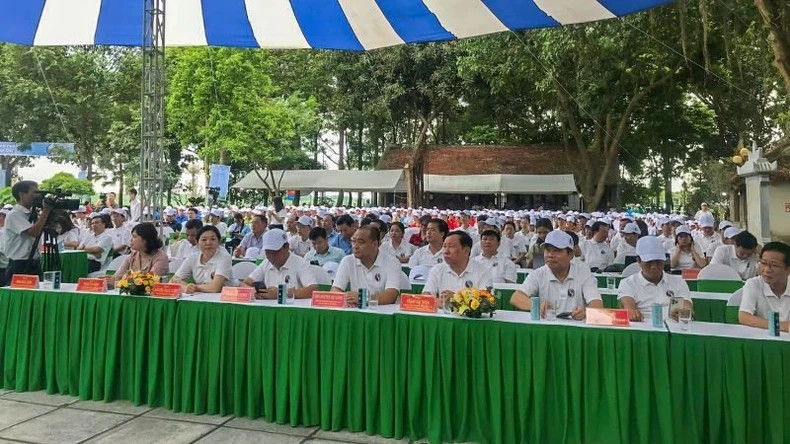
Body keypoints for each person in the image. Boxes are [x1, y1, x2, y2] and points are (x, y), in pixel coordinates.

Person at [510, 230, 603, 319]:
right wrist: (536, 306)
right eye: (547, 250)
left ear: (570, 254)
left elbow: (597, 304)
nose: (550, 255)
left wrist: (585, 311)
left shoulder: (583, 272)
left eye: (556, 251)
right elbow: (516, 297)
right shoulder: (539, 274)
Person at [617, 236, 693, 322]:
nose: (654, 266)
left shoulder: (678, 282)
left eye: (658, 262)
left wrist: (685, 312)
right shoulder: (628, 283)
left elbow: (687, 306)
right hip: (643, 326)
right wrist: (631, 312)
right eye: (649, 262)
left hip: (674, 326)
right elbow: (628, 306)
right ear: (639, 261)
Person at [331, 226, 401, 307]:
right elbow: (335, 290)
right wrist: (347, 299)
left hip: (383, 311)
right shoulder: (347, 260)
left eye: (361, 242)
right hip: (356, 310)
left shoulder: (392, 262)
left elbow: (391, 295)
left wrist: (363, 298)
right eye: (353, 241)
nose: (355, 246)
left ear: (375, 244)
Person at [241, 229, 319, 299]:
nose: (271, 256)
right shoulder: (266, 263)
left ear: (286, 247)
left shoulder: (300, 263)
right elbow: (245, 283)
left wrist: (282, 293)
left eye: (275, 252)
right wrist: (253, 292)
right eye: (267, 252)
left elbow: (313, 289)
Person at [421, 231, 493, 306]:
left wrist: (456, 299)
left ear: (466, 251)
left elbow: (487, 302)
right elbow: (426, 296)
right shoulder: (437, 270)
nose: (446, 251)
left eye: (451, 246)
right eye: (444, 246)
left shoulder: (482, 272)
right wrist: (437, 301)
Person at [4, 181, 53, 279]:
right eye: (35, 192)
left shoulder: (32, 213)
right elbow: (34, 232)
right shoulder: (14, 214)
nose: (38, 196)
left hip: (34, 262)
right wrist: (46, 210)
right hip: (19, 265)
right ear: (21, 194)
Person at [738, 241, 790, 331]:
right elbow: (744, 317)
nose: (766, 270)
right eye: (763, 263)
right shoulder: (753, 284)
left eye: (774, 265)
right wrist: (782, 326)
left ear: (788, 270)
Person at [172, 225, 232, 294]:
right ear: (197, 243)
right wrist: (186, 288)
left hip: (226, 297)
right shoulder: (192, 257)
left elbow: (215, 288)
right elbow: (173, 281)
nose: (208, 243)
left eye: (213, 239)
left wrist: (194, 287)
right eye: (204, 240)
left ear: (218, 242)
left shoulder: (224, 257)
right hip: (201, 297)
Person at [108, 222, 169, 288]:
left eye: (134, 237)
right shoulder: (132, 256)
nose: (130, 240)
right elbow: (117, 277)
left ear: (146, 239)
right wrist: (110, 280)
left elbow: (148, 282)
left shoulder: (161, 257)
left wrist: (118, 282)